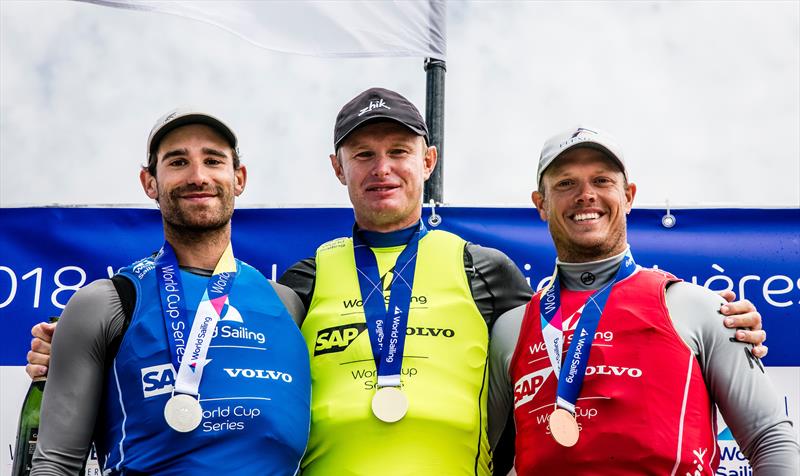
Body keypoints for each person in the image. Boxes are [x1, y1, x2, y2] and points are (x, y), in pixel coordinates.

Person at [26, 91, 768, 475]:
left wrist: (720, 333)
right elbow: (206, 342)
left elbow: (571, 337)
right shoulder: (298, 280)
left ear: (428, 161)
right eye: (363, 153)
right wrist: (76, 349)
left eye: (399, 151)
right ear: (337, 168)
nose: (382, 167)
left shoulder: (490, 272)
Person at [488, 126, 799, 475]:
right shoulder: (511, 329)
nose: (585, 194)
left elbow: (771, 439)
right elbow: (478, 456)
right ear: (541, 204)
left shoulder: (699, 307)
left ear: (629, 196)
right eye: (565, 183)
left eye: (602, 180)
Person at [29, 109, 311, 475]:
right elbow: (56, 465)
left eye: (213, 160)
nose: (198, 176)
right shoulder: (104, 303)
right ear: (150, 182)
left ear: (238, 178)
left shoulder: (287, 304)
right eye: (178, 162)